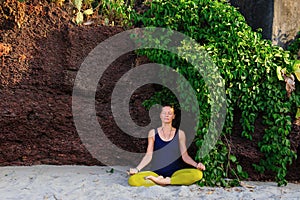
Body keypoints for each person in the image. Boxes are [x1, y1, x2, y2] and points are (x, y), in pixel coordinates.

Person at [128, 105, 205, 187]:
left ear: (173, 116)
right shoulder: (153, 133)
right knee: (132, 180)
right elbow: (148, 155)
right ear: (160, 116)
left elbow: (185, 156)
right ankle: (160, 180)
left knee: (198, 174)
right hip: (156, 173)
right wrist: (137, 169)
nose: (167, 115)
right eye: (164, 113)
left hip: (175, 173)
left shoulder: (180, 134)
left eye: (170, 113)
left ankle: (165, 181)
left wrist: (197, 165)